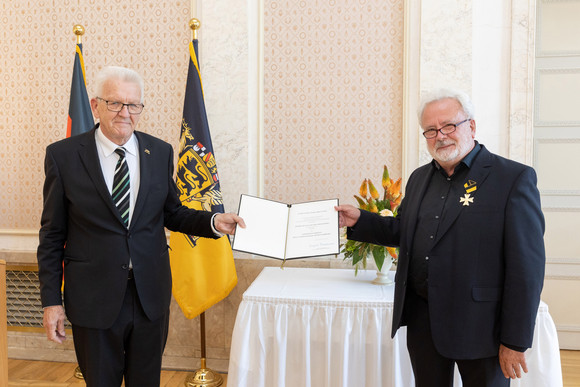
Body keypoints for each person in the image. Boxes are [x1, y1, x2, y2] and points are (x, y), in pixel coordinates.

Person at [37, 66, 245, 386]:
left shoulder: (159, 152)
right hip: (93, 297)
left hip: (150, 294)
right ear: (95, 106)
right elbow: (52, 235)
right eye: (115, 103)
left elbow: (172, 213)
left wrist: (214, 221)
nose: (125, 113)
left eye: (134, 105)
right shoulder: (63, 156)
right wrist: (52, 301)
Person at [336, 88, 545, 387]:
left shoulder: (512, 179)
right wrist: (360, 220)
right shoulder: (419, 178)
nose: (441, 136)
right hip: (425, 323)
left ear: (471, 126)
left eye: (449, 126)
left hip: (482, 328)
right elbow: (404, 231)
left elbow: (527, 268)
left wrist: (515, 340)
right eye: (431, 130)